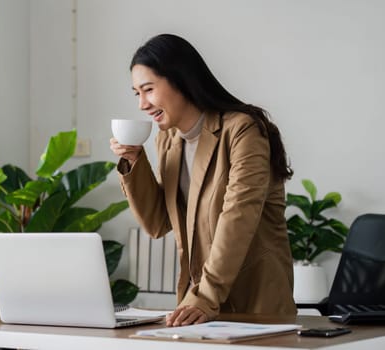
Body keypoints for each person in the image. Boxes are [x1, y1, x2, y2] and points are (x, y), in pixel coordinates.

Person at [110, 33, 297, 327]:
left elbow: (239, 216)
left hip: (256, 306)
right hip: (198, 311)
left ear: (181, 79)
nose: (142, 104)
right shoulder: (168, 140)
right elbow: (158, 223)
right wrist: (135, 161)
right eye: (137, 93)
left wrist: (205, 296)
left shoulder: (243, 131)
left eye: (148, 89)